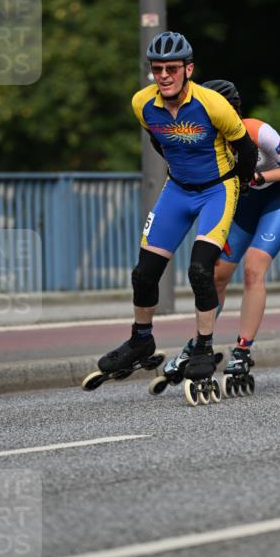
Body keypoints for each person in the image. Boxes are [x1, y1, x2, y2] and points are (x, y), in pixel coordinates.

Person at [95, 31, 258, 386]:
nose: (164, 75)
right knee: (143, 273)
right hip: (178, 190)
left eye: (172, 68)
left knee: (200, 270)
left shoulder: (213, 104)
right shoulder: (142, 104)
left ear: (189, 69)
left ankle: (202, 346)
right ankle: (141, 339)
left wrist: (241, 185)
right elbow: (158, 140)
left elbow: (247, 152)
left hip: (218, 189)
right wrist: (180, 172)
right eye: (157, 69)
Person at [204, 79, 280, 389]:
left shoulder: (258, 131)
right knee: (216, 275)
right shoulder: (208, 142)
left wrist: (259, 176)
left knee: (253, 269)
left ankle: (243, 349)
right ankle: (200, 341)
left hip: (279, 196)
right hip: (245, 206)